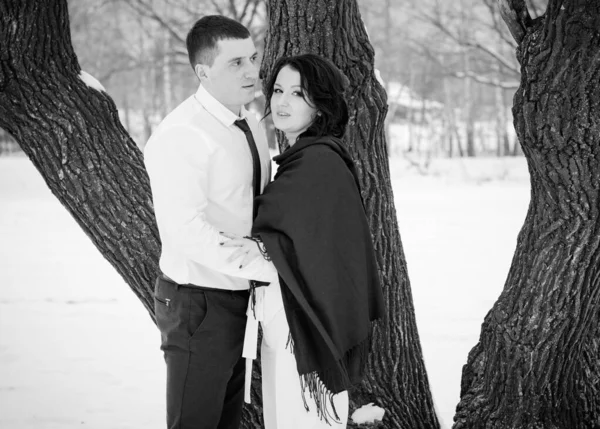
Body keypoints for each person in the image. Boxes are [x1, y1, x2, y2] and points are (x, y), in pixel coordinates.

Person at [222, 54, 385, 429]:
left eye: (298, 93)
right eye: (278, 90)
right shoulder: (301, 160)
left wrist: (261, 249)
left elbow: (321, 250)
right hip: (286, 322)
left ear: (321, 105)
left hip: (306, 326)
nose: (281, 102)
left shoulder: (319, 164)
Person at [144, 15, 278, 429]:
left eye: (252, 58)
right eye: (235, 62)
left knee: (226, 421)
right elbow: (184, 233)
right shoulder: (181, 134)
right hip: (197, 303)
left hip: (240, 297)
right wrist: (268, 268)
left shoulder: (251, 122)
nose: (252, 70)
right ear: (203, 71)